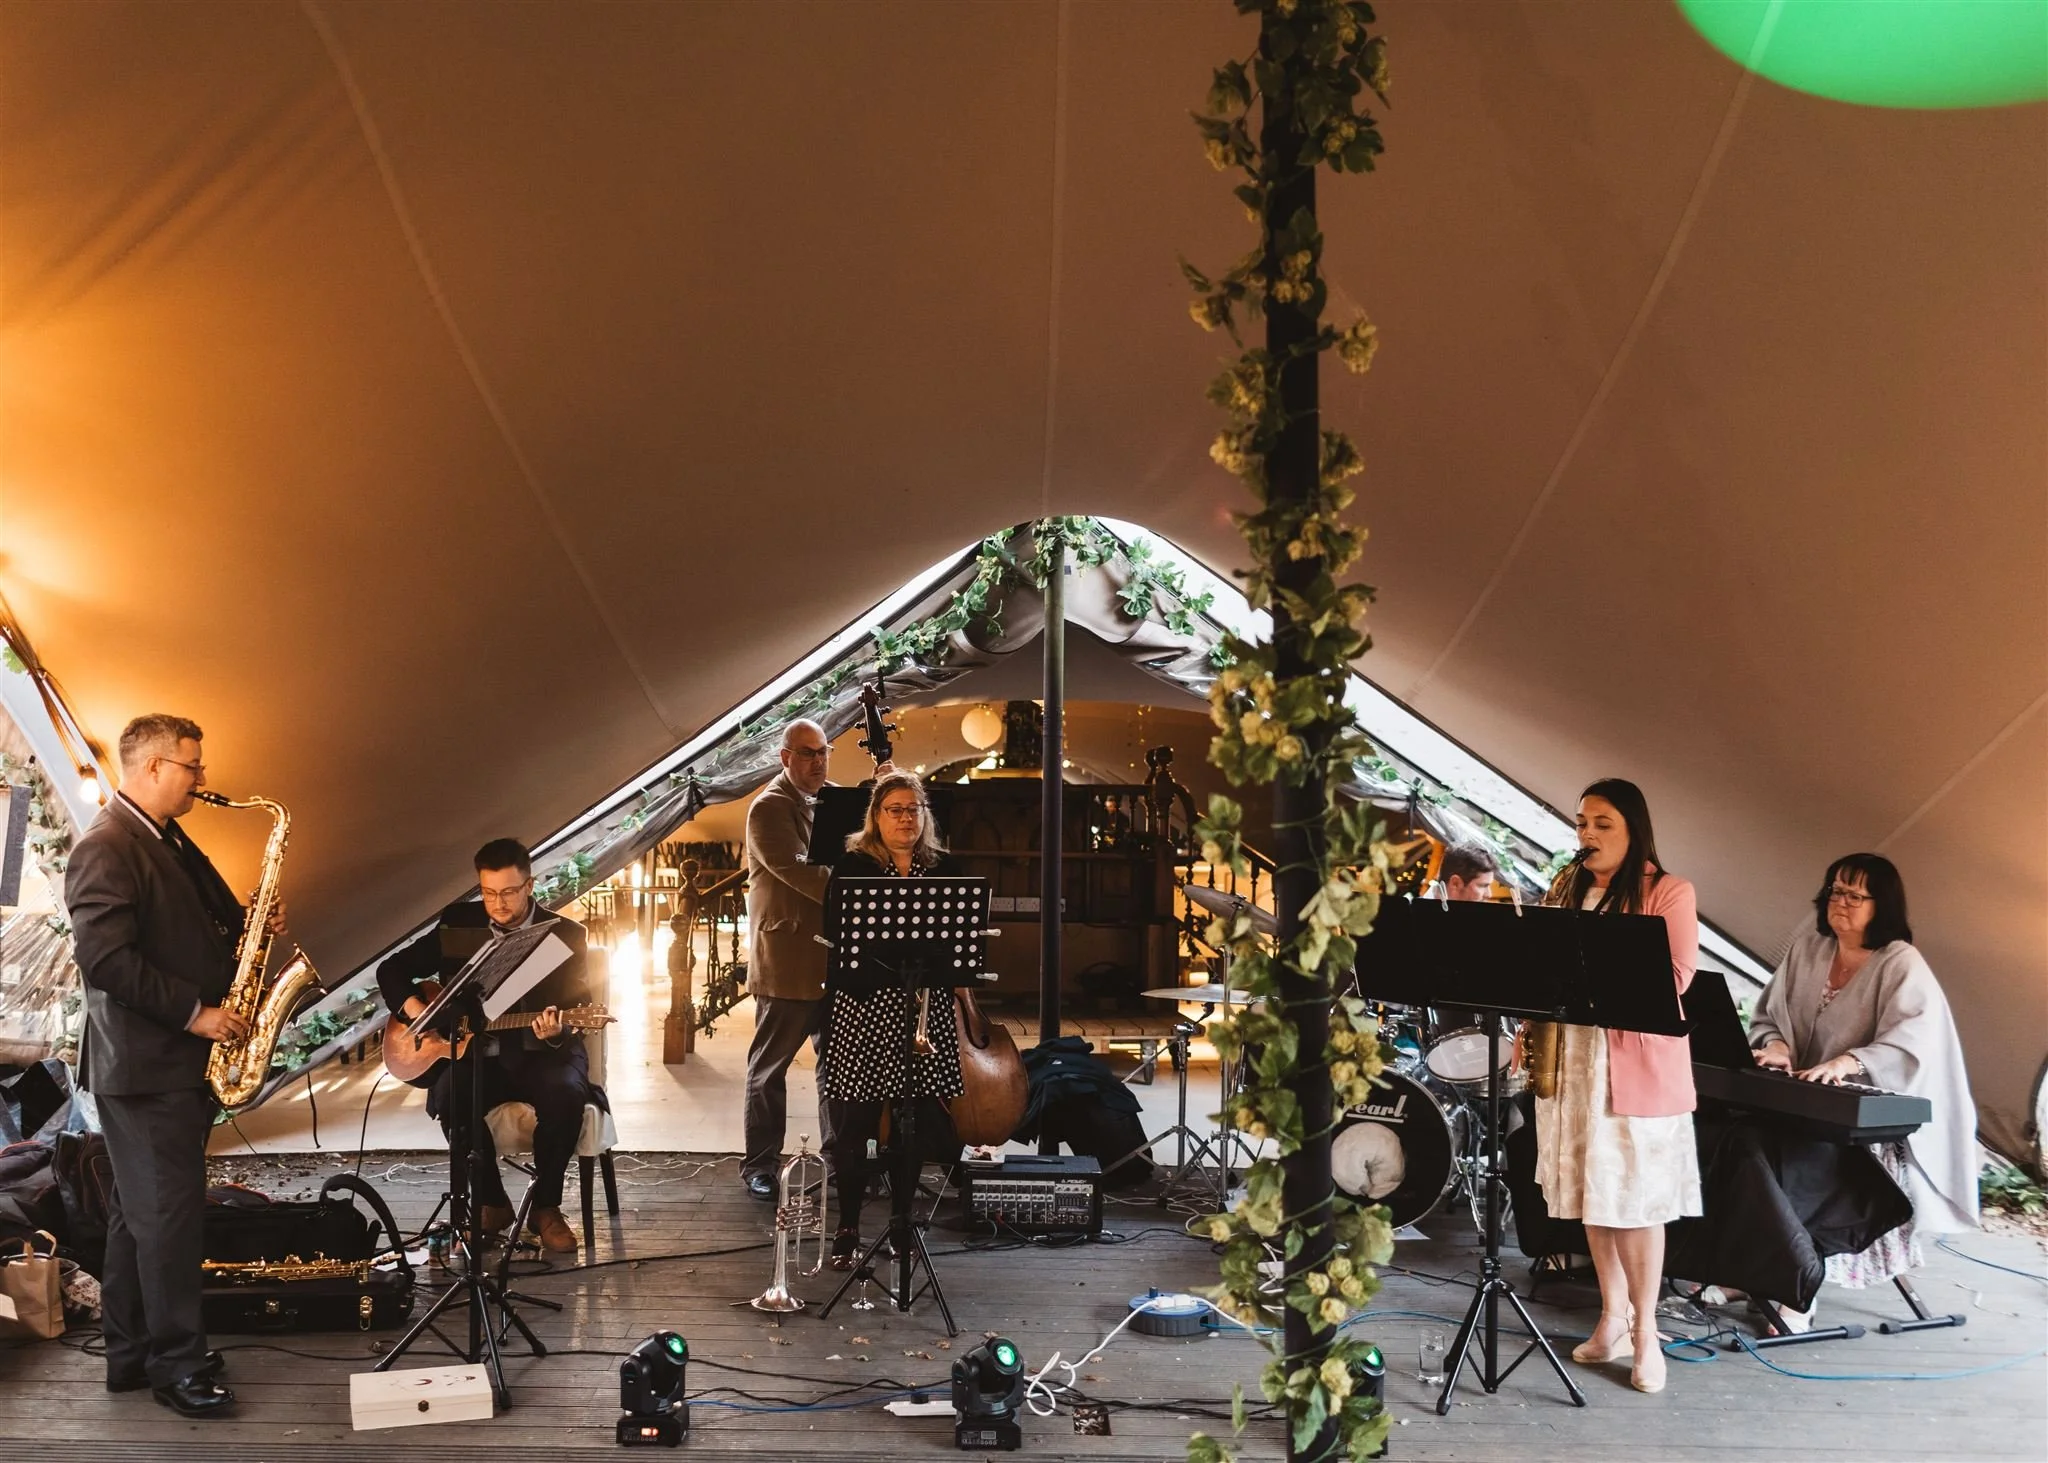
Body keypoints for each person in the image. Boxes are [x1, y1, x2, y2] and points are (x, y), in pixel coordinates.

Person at [65, 714, 277, 1416]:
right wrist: (196, 1013)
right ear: (153, 766)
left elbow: (190, 927)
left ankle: (129, 1354)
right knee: (170, 1220)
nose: (201, 778)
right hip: (150, 1065)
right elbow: (106, 959)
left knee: (137, 1216)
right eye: (192, 765)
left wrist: (251, 924)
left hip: (168, 1066)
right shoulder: (106, 845)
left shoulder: (163, 837)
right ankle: (177, 1366)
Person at [1747, 854, 1977, 1312]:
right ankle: (1748, 1269)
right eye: (1836, 890)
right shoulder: (1809, 947)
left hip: (1868, 1113)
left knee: (1803, 1155)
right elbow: (1769, 1016)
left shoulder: (1900, 962)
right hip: (1802, 1098)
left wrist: (1850, 1062)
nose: (1842, 902)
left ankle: (1796, 1288)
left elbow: (1916, 1042)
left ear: (1881, 905)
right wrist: (1776, 1046)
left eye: (1855, 895)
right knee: (1741, 1141)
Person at [1534, 778, 1700, 1395]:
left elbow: (1676, 978)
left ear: (1634, 828)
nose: (1588, 835)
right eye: (1582, 823)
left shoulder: (1669, 892)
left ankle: (1648, 1331)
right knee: (1593, 1195)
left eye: (1603, 823)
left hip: (1632, 1062)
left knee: (1636, 1201)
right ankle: (1612, 1319)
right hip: (1576, 1057)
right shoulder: (1568, 888)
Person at [377, 838, 596, 1253]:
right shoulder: (458, 923)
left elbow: (575, 1006)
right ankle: (492, 1203)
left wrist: (558, 1031)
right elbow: (392, 969)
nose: (498, 903)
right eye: (489, 892)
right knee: (450, 1094)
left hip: (539, 1051)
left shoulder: (566, 936)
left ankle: (546, 1207)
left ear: (530, 885)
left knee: (565, 1094)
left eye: (509, 892)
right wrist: (415, 1012)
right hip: (477, 1054)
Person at [822, 771, 965, 1268]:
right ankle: (847, 1226)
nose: (905, 818)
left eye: (913, 810)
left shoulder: (944, 869)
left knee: (914, 1125)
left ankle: (903, 1223)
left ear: (924, 817)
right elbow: (834, 937)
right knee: (853, 1124)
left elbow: (958, 946)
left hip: (922, 1009)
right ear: (876, 817)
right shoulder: (852, 866)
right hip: (863, 1008)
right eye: (894, 809)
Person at [740, 719, 844, 1201]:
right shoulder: (767, 809)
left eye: (822, 751)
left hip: (837, 959)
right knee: (769, 1071)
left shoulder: (839, 800)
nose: (817, 761)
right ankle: (760, 1165)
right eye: (806, 753)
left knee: (838, 1067)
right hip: (787, 960)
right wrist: (864, 886)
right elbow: (805, 875)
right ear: (785, 758)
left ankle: (841, 1159)